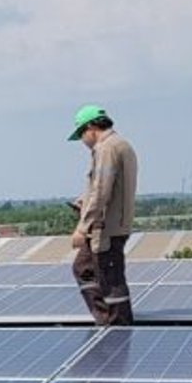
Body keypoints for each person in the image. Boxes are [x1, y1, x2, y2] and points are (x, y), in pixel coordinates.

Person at [66, 104, 139, 325]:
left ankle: (116, 325)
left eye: (81, 134)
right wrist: (84, 200)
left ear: (91, 128)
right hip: (111, 224)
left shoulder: (106, 148)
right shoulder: (121, 145)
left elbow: (101, 191)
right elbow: (103, 187)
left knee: (110, 280)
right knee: (84, 268)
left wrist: (82, 227)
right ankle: (106, 320)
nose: (82, 141)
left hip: (105, 228)